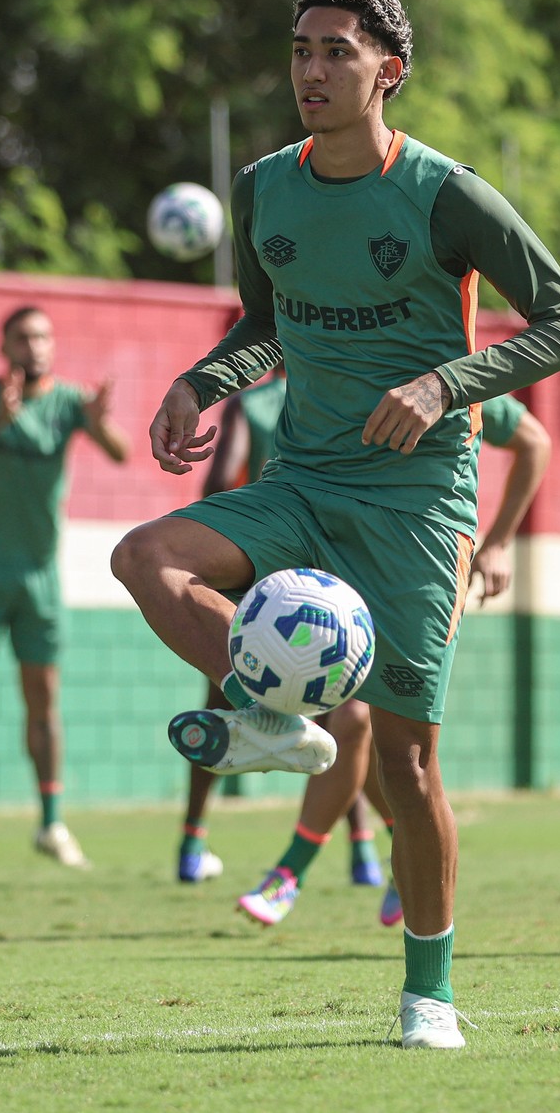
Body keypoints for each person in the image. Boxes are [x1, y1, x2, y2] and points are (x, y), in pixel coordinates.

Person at [110, 0, 560, 1050]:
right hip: (303, 484)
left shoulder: (444, 194)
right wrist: (202, 381)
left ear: (391, 69)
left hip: (420, 505)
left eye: (336, 51)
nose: (312, 71)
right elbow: (267, 327)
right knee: (146, 557)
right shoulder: (263, 187)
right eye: (300, 51)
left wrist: (444, 385)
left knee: (405, 765)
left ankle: (430, 997)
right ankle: (271, 721)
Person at [236, 393, 552, 927]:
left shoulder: (447, 368)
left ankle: (290, 873)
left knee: (372, 732)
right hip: (331, 585)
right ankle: (400, 854)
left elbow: (534, 442)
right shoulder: (335, 368)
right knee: (363, 737)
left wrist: (498, 543)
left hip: (415, 584)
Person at [0, 305, 129, 873]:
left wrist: (96, 419)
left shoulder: (69, 402)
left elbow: (119, 453)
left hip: (41, 574)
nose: (36, 345)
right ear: (5, 345)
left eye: (43, 335)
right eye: (23, 336)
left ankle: (51, 823)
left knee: (43, 699)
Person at [177, 367, 385, 886]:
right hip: (330, 580)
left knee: (223, 700)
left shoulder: (253, 403)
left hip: (263, 577)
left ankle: (191, 842)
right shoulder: (349, 393)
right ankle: (362, 853)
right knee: (337, 713)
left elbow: (219, 482)